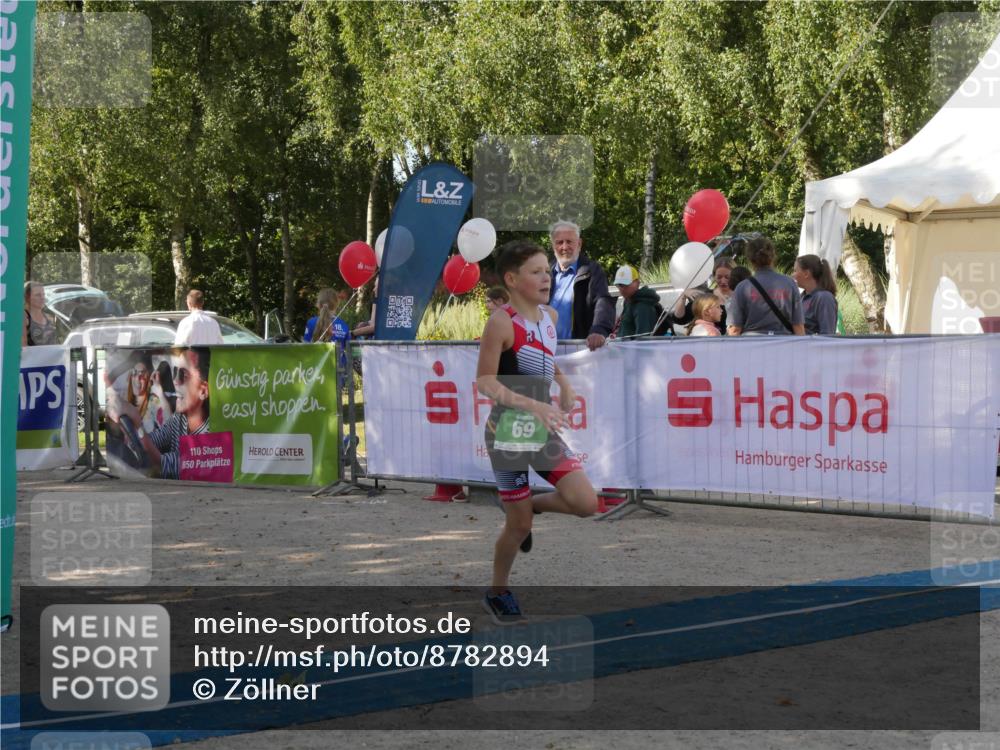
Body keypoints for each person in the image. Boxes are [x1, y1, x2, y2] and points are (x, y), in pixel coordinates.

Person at [477, 240, 598, 624]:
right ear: (511, 279)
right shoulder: (500, 322)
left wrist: (564, 384)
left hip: (541, 429)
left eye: (547, 270)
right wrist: (534, 404)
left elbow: (545, 359)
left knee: (585, 503)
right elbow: (485, 382)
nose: (546, 276)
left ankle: (528, 505)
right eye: (535, 271)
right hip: (508, 432)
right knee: (519, 527)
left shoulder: (550, 317)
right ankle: (498, 592)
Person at [111, 347, 211, 479]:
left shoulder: (210, 435)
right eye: (174, 373)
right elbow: (154, 440)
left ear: (203, 391)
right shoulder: (180, 419)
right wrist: (131, 434)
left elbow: (162, 463)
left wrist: (136, 423)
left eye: (183, 375)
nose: (175, 381)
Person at [548, 221, 615, 350]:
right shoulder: (544, 271)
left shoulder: (591, 270)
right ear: (553, 246)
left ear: (579, 244)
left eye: (569, 241)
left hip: (576, 350)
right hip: (544, 349)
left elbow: (602, 301)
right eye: (559, 242)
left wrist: (599, 330)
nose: (564, 247)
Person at [727, 236, 805, 336]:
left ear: (750, 259)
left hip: (751, 345)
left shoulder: (742, 287)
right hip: (784, 344)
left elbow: (735, 329)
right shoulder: (789, 284)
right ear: (773, 256)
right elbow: (798, 326)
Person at [793, 254, 839, 335]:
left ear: (806, 273)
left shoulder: (824, 298)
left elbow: (827, 334)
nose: (792, 275)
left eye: (795, 271)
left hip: (813, 347)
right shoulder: (802, 297)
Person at [613, 265, 660, 339]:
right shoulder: (628, 300)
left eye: (626, 284)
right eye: (619, 285)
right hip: (623, 348)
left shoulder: (643, 306)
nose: (622, 289)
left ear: (637, 283)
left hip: (632, 350)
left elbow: (643, 340)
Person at [23, 282, 57, 346]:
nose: (42, 298)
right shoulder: (24, 317)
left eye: (43, 294)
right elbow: (22, 348)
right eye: (38, 295)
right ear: (27, 297)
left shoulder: (49, 318)